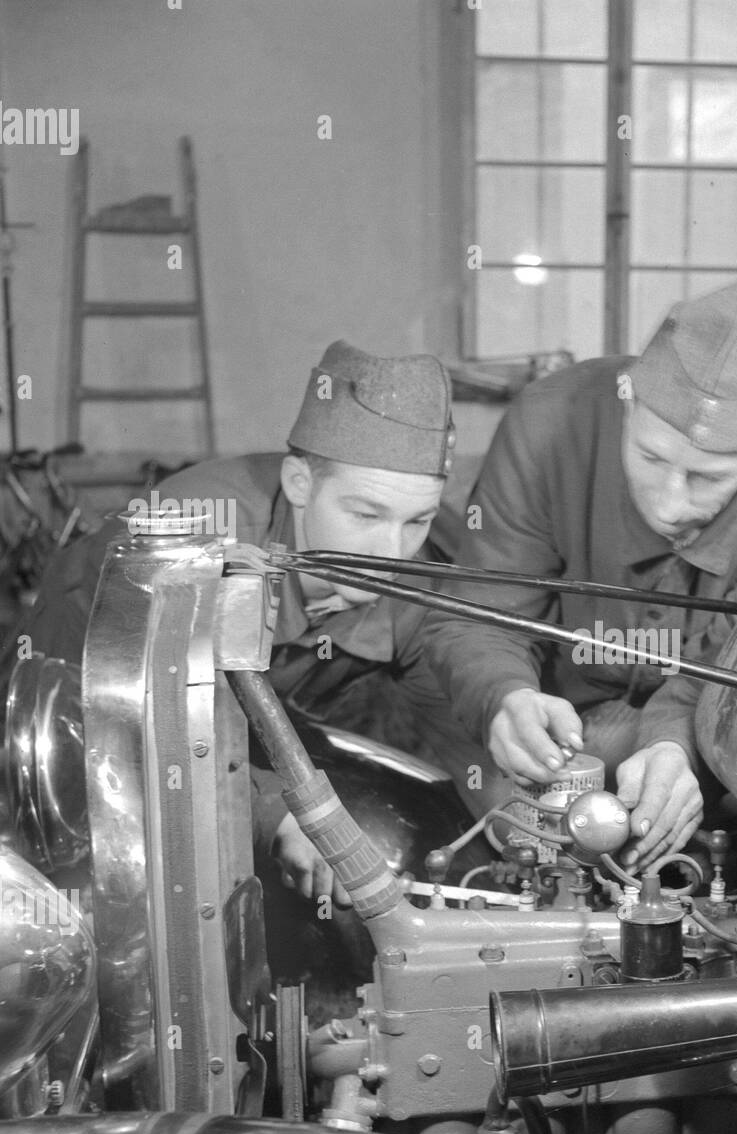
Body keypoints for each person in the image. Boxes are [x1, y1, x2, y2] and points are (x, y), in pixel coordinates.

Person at [422, 279, 737, 869]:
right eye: (650, 457)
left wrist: (678, 749)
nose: (670, 503)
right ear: (628, 403)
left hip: (701, 730)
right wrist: (504, 696)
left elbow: (736, 678)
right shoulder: (548, 424)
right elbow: (479, 613)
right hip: (553, 720)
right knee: (524, 855)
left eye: (707, 479)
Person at [5, 341, 456, 904]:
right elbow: (157, 728)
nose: (393, 551)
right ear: (299, 483)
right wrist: (279, 810)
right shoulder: (194, 535)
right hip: (86, 703)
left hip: (238, 708)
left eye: (417, 521)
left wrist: (503, 723)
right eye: (366, 515)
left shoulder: (417, 547)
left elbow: (452, 673)